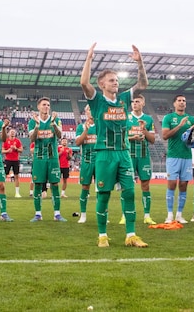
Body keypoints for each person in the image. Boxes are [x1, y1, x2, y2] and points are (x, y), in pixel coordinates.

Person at [81, 42, 149, 248]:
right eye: (111, 80)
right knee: (103, 194)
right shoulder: (96, 100)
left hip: (123, 153)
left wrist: (140, 63)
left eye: (117, 80)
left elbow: (143, 84)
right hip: (103, 154)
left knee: (129, 192)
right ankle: (102, 235)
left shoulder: (123, 99)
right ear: (102, 84)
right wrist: (89, 58)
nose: (115, 83)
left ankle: (131, 235)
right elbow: (84, 82)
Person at [28, 97, 67, 222]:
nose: (46, 107)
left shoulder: (56, 119)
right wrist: (37, 126)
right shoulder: (33, 121)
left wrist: (54, 123)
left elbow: (60, 135)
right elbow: (32, 138)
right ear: (38, 107)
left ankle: (57, 214)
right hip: (39, 158)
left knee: (55, 184)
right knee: (38, 185)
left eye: (48, 105)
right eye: (44, 104)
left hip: (53, 157)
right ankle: (38, 214)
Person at [120, 94, 156, 225]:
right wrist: (133, 138)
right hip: (128, 156)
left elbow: (152, 140)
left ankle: (147, 215)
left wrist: (144, 130)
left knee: (145, 186)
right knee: (127, 187)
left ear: (143, 103)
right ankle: (124, 215)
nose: (134, 103)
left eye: (137, 101)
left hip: (144, 156)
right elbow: (120, 138)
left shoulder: (148, 119)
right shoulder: (126, 118)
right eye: (133, 101)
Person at [162, 95, 194, 224]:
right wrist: (179, 126)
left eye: (184, 101)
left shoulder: (191, 119)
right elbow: (165, 135)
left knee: (183, 185)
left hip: (187, 156)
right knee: (171, 184)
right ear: (174, 104)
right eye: (179, 101)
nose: (182, 103)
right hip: (173, 156)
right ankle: (169, 215)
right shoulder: (169, 118)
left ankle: (179, 215)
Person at [75, 105, 96, 224]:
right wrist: (86, 130)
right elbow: (78, 142)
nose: (91, 112)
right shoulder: (80, 127)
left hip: (100, 161)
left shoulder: (101, 126)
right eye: (89, 109)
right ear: (85, 112)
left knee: (101, 189)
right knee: (85, 187)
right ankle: (83, 215)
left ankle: (103, 214)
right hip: (87, 161)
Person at [3, 129, 23, 198]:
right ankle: (3, 192)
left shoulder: (17, 141)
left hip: (15, 160)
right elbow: (2, 151)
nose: (12, 133)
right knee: (4, 176)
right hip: (8, 160)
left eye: (13, 132)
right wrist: (8, 150)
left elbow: (21, 150)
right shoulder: (6, 141)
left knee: (16, 176)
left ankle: (17, 193)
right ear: (8, 133)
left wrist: (16, 149)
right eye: (11, 132)